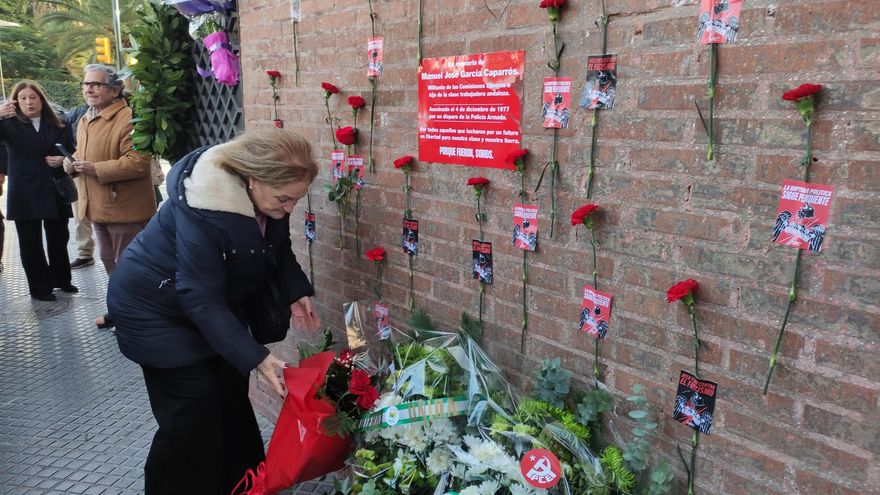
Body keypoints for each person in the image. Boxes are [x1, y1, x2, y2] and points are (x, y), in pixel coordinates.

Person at [107, 127, 321, 494]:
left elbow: (277, 247)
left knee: (231, 397)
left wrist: (295, 290)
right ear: (253, 178)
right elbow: (199, 296)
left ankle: (245, 486)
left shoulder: (270, 195)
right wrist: (258, 358)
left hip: (208, 305)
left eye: (296, 200)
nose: (289, 209)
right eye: (284, 199)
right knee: (192, 413)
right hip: (154, 311)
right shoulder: (204, 204)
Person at [65, 64, 153, 327]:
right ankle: (121, 310)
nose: (89, 89)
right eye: (86, 84)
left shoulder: (130, 118)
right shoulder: (86, 117)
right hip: (98, 206)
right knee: (110, 262)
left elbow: (138, 163)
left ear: (115, 91)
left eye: (96, 84)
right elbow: (84, 153)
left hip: (124, 208)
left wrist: (95, 168)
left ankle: (137, 317)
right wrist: (71, 162)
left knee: (129, 266)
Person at [0, 80, 77, 300]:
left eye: (33, 97)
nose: (29, 102)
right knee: (30, 242)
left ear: (41, 99)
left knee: (59, 237)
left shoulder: (59, 122)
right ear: (15, 102)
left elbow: (72, 151)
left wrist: (63, 159)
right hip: (24, 189)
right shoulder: (7, 124)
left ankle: (62, 279)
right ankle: (40, 287)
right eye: (23, 98)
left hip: (55, 186)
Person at [64, 103, 95, 269]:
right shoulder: (76, 113)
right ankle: (85, 253)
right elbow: (68, 139)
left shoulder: (122, 112)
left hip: (105, 172)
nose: (90, 91)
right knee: (80, 214)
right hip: (79, 170)